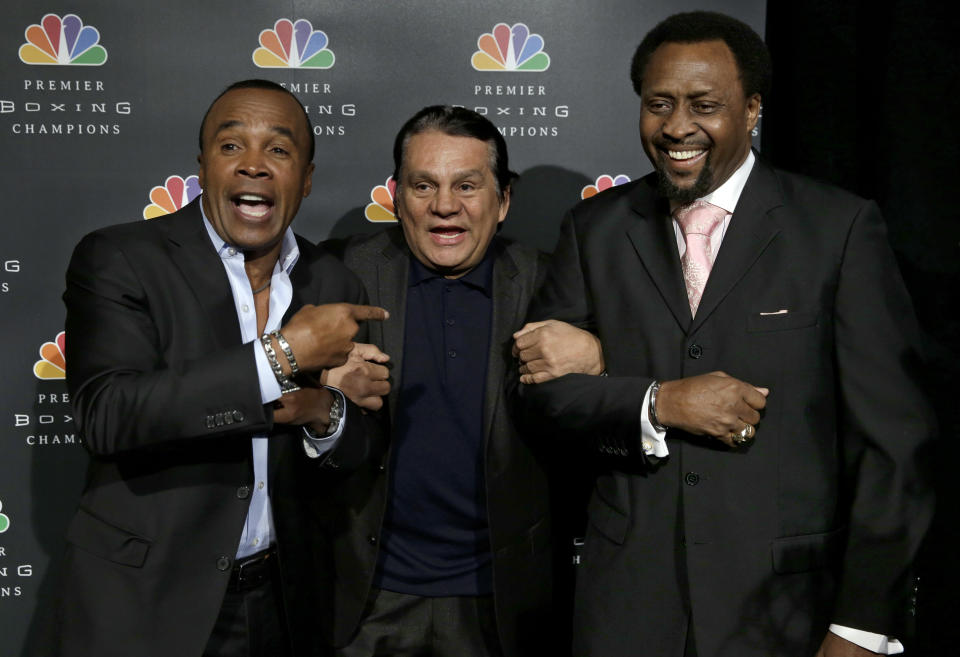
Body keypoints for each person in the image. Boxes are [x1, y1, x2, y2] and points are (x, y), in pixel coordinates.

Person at [513, 11, 935, 657]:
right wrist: (656, 401)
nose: (678, 126)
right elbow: (542, 401)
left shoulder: (837, 230)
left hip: (787, 615)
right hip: (628, 613)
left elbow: (895, 445)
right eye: (659, 104)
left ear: (753, 109)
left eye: (704, 105)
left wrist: (862, 624)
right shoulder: (593, 230)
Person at [56, 79, 387, 657]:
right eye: (231, 146)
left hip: (283, 603)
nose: (254, 166)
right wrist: (283, 357)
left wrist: (322, 410)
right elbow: (107, 415)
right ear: (203, 168)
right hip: (147, 600)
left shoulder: (332, 283)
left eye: (279, 150)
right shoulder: (120, 258)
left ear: (306, 179)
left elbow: (358, 451)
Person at [317, 105, 597, 657]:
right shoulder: (340, 274)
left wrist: (598, 354)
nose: (445, 206)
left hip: (502, 604)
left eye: (466, 185)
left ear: (504, 200)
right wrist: (322, 388)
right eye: (424, 185)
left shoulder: (552, 286)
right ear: (397, 197)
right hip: (365, 602)